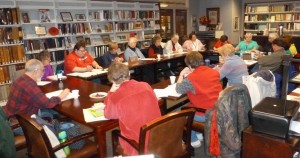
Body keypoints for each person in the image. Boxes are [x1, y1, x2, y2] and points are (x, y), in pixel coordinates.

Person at [104, 62, 161, 155]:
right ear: (129, 74)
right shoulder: (145, 85)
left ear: (112, 81)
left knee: (116, 132)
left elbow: (108, 114)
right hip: (158, 134)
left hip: (139, 143)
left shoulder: (116, 96)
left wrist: (110, 92)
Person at [175, 52, 222, 148]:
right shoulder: (214, 72)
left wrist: (181, 74)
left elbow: (178, 89)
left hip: (205, 113)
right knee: (192, 105)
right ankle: (199, 133)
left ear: (188, 65)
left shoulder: (190, 78)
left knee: (182, 112)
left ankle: (193, 140)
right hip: (218, 109)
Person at [4, 59, 70, 118]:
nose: (43, 73)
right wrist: (61, 96)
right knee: (56, 114)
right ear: (35, 71)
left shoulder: (20, 79)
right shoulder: (29, 85)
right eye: (42, 70)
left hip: (13, 116)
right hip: (22, 122)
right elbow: (48, 104)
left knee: (53, 112)